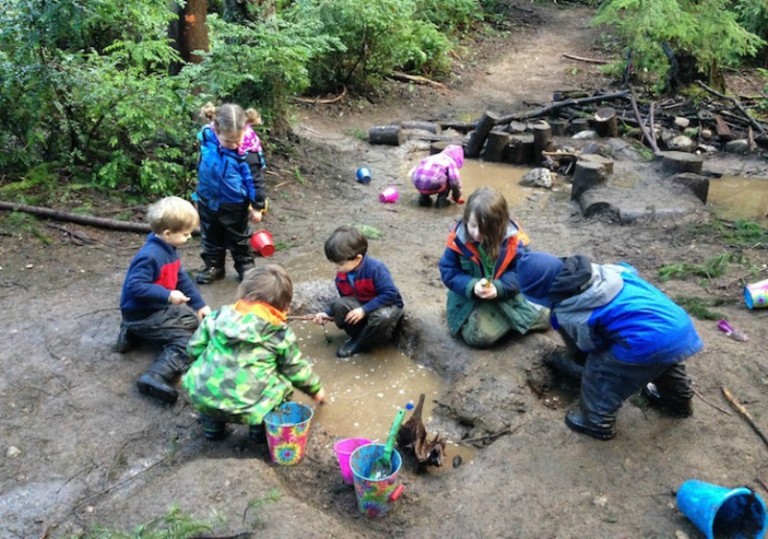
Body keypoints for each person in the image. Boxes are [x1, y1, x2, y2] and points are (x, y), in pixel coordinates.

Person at [510, 249, 702, 440]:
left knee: (600, 370)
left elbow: (589, 347)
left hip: (644, 341)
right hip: (674, 324)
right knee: (661, 361)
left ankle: (595, 421)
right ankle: (677, 401)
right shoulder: (603, 271)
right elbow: (629, 269)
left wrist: (584, 358)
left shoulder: (572, 313)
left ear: (540, 296)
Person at [182, 264, 327, 441]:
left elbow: (193, 349)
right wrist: (315, 390)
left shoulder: (216, 317)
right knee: (283, 385)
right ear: (284, 306)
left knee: (207, 383)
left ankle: (212, 430)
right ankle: (259, 432)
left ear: (243, 293)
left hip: (203, 397)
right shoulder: (278, 333)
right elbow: (295, 370)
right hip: (250, 408)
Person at [116, 196, 212, 404]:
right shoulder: (150, 256)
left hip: (153, 310)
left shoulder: (169, 250)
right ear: (168, 233)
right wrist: (167, 295)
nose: (189, 238)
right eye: (185, 234)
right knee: (187, 342)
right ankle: (155, 376)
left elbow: (181, 278)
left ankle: (133, 333)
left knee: (191, 321)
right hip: (145, 314)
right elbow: (135, 286)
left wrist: (200, 305)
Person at [438, 187, 550, 349]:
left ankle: (503, 321)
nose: (476, 234)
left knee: (547, 317)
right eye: (473, 226)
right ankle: (509, 322)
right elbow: (449, 271)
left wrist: (499, 289)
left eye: (485, 230)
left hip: (506, 294)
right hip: (470, 299)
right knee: (477, 337)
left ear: (500, 225)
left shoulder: (515, 241)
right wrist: (472, 286)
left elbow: (522, 273)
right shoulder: (457, 241)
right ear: (466, 219)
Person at [195, 102, 267, 284]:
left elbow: (255, 180)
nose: (234, 145)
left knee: (239, 237)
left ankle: (245, 266)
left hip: (234, 202)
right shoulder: (207, 137)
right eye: (228, 141)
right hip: (207, 197)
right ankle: (214, 266)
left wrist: (257, 205)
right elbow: (202, 161)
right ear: (216, 130)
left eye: (238, 140)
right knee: (210, 235)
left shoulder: (248, 151)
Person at [312, 225, 404, 359]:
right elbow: (345, 300)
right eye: (335, 264)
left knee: (384, 316)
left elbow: (390, 294)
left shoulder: (375, 269)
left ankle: (360, 344)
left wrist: (364, 310)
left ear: (358, 258)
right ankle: (361, 336)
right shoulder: (341, 276)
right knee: (339, 305)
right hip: (363, 305)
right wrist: (326, 313)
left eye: (340, 264)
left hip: (385, 305)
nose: (337, 268)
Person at [410, 144, 464, 209]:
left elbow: (416, 170)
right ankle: (442, 201)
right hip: (433, 182)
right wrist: (456, 197)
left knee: (426, 176)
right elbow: (455, 183)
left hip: (417, 181)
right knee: (448, 178)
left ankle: (423, 199)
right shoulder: (451, 162)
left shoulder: (432, 157)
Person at [240, 107, 268, 195]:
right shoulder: (248, 132)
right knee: (256, 181)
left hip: (244, 157)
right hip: (251, 157)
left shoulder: (243, 129)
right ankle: (259, 204)